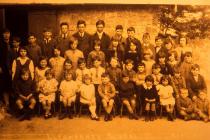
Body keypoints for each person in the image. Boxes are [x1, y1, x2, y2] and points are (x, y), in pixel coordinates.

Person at [0, 29, 12, 108]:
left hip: (12, 68)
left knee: (11, 85)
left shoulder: (12, 43)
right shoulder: (0, 44)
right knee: (3, 85)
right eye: (4, 33)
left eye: (8, 33)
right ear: (2, 35)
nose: (6, 35)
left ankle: (12, 104)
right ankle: (6, 103)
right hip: (3, 67)